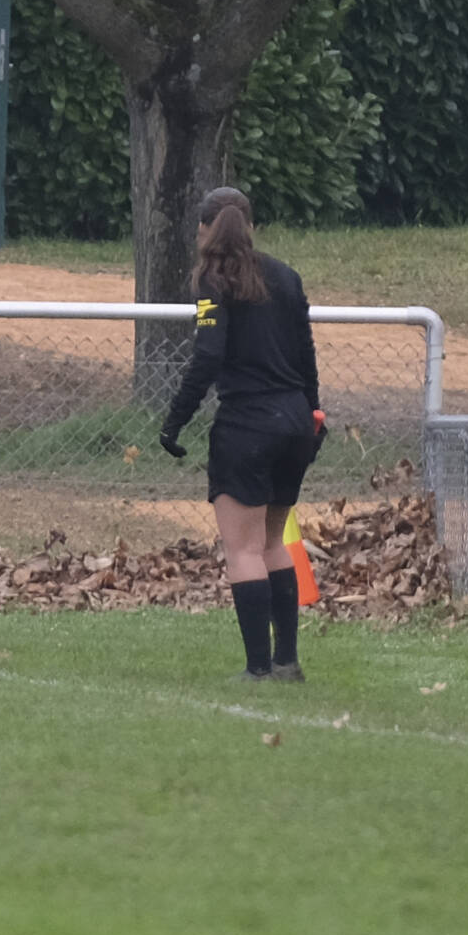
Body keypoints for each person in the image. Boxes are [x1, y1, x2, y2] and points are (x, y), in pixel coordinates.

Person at [159, 188, 323, 682]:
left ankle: (257, 668)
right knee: (273, 542)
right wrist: (313, 412)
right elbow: (306, 352)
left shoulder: (212, 280)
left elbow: (208, 355)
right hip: (294, 421)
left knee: (243, 549)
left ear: (203, 231)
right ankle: (286, 661)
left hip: (248, 425)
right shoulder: (287, 277)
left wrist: (175, 419)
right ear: (252, 227)